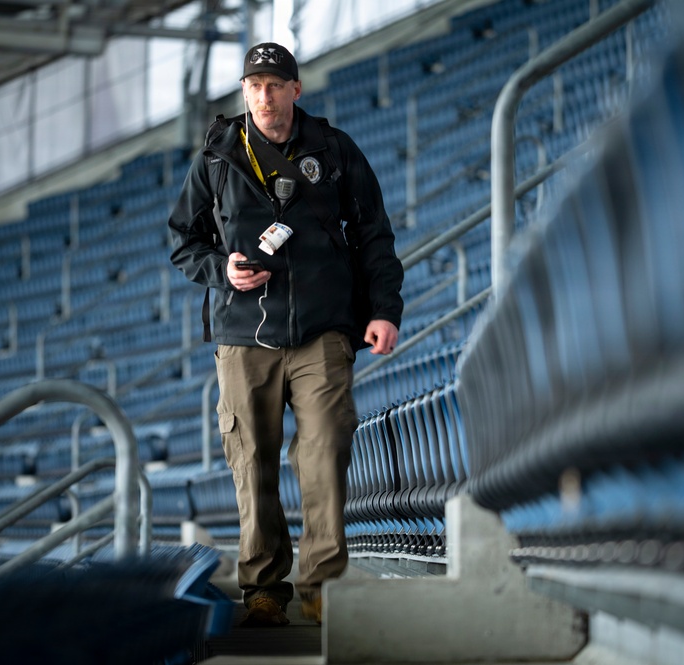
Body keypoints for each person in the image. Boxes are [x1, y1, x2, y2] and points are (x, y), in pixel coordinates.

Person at [167, 42, 404, 627]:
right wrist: (222, 268)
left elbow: (374, 233)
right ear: (244, 93)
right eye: (254, 85)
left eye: (275, 84)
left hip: (323, 331)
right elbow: (183, 242)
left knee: (324, 451)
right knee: (253, 462)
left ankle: (321, 584)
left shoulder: (334, 149)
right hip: (243, 336)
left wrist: (384, 310)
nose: (264, 95)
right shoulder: (218, 157)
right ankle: (264, 589)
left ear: (296, 90)